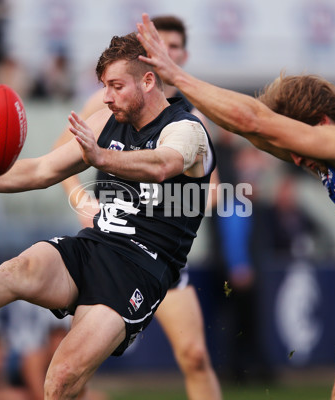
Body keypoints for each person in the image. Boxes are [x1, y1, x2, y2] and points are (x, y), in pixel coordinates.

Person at [136, 13, 335, 399]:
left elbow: (255, 121)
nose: (293, 160)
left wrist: (178, 75)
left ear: (320, 122)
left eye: (296, 143)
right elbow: (252, 131)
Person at [0, 30, 215, 399]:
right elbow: (41, 171)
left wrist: (102, 157)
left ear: (148, 80)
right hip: (96, 244)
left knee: (60, 379)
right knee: (18, 270)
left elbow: (163, 164)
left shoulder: (186, 129)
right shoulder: (108, 120)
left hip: (141, 270)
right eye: (104, 86)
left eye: (116, 86)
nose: (106, 97)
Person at [55, 15, 222, 400]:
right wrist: (82, 201)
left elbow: (213, 189)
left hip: (159, 254)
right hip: (111, 247)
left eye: (175, 48)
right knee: (74, 373)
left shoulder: (189, 118)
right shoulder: (106, 101)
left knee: (195, 355)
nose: (168, 53)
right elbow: (59, 159)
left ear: (183, 54)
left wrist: (187, 198)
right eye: (160, 45)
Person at [21, 324, 109, 400]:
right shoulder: (34, 359)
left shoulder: (74, 360)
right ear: (49, 341)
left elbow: (81, 393)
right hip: (28, 394)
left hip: (57, 394)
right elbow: (39, 395)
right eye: (58, 339)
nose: (61, 345)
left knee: (100, 397)